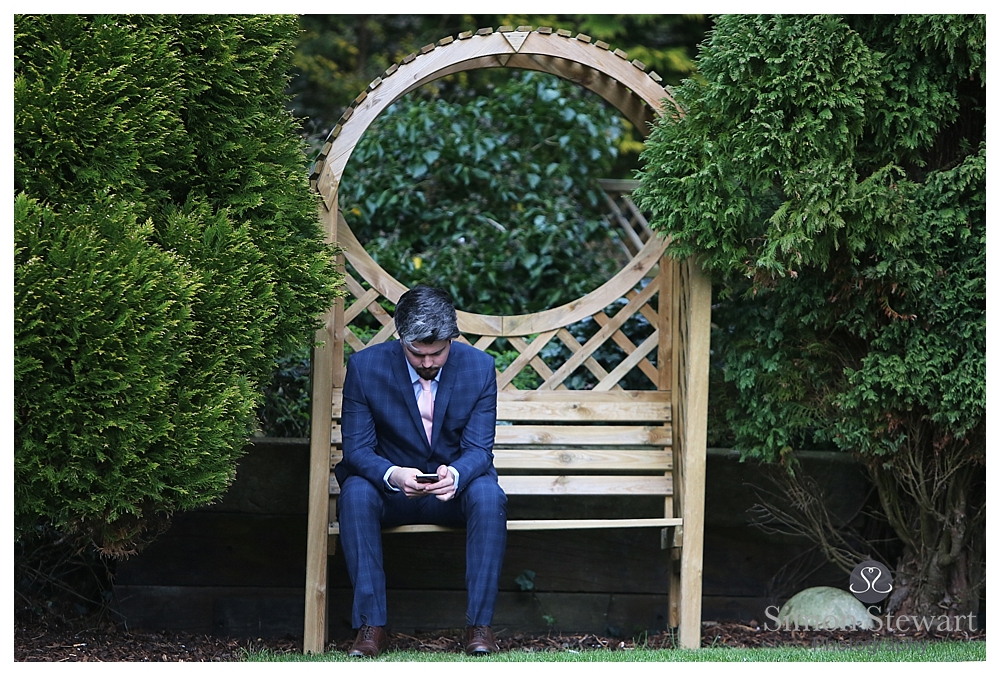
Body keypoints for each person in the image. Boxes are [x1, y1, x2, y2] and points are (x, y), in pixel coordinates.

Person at [333, 285, 508, 658]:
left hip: (451, 494)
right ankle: (371, 625)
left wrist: (456, 476)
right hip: (391, 493)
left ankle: (480, 626)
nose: (428, 363)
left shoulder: (479, 368)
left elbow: (480, 449)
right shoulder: (365, 368)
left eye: (437, 352)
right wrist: (393, 475)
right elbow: (357, 450)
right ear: (400, 339)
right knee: (356, 492)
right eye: (417, 353)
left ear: (452, 339)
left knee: (488, 494)